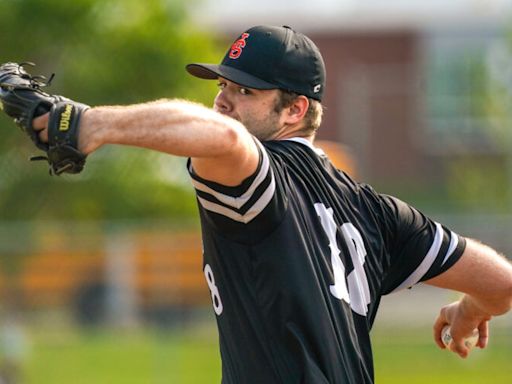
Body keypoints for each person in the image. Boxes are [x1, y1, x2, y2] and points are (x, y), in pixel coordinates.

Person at [32, 25, 511, 383]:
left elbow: (221, 136)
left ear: (295, 109)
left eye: (245, 91)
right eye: (222, 85)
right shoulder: (379, 212)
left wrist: (87, 124)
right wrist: (472, 307)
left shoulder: (261, 184)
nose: (223, 101)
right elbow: (503, 285)